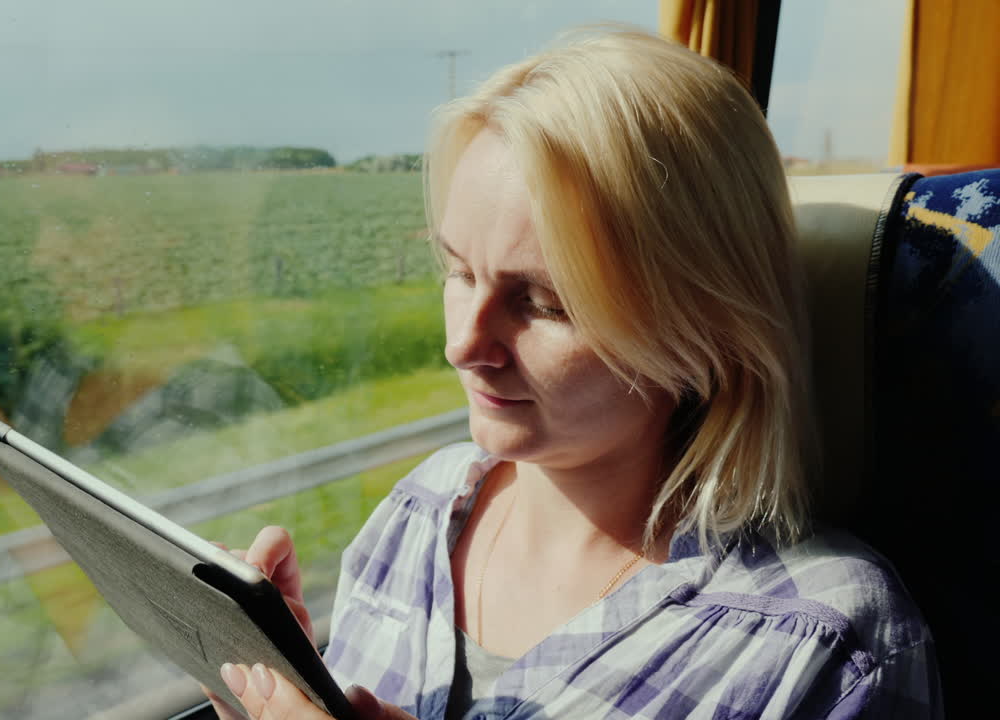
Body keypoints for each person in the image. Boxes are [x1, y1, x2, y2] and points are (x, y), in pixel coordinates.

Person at [211, 29, 942, 719]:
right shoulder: (418, 511)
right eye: (458, 271)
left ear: (706, 326)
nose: (464, 346)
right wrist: (299, 685)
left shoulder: (829, 645)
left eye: (544, 303)